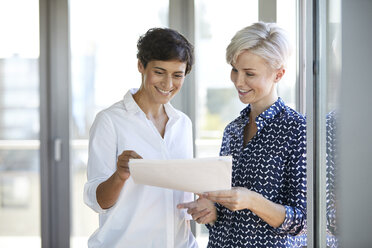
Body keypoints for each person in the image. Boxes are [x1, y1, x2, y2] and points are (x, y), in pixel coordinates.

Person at [178, 22, 307, 247]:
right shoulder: (233, 130)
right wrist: (211, 210)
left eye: (249, 74)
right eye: (235, 70)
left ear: (279, 74)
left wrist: (252, 200)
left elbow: (303, 221)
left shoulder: (297, 130)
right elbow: (225, 210)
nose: (238, 81)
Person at [84, 27, 198, 248]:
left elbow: (183, 195)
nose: (167, 84)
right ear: (141, 66)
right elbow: (99, 202)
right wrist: (120, 175)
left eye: (177, 75)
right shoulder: (109, 121)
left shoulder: (183, 124)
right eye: (159, 72)